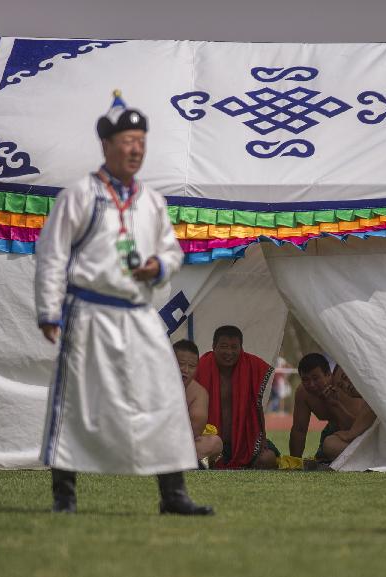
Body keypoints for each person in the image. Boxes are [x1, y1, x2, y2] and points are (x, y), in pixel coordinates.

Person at [35, 90, 212, 516]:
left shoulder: (151, 201)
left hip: (138, 313)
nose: (135, 150)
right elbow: (52, 253)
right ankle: (65, 496)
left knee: (165, 395)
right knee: (79, 399)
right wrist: (48, 309)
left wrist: (157, 266)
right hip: (89, 312)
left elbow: (172, 251)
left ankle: (173, 495)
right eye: (127, 141)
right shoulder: (78, 195)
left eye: (141, 142)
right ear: (107, 145)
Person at [195, 325, 278, 469]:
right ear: (213, 347)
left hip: (246, 441)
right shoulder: (200, 367)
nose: (229, 352)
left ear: (241, 348)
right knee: (201, 459)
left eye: (234, 347)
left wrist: (262, 437)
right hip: (212, 441)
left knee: (268, 459)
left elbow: (256, 407)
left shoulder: (252, 366)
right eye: (224, 346)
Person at [289, 354, 364, 461]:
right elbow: (299, 429)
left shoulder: (345, 387)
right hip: (334, 433)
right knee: (324, 452)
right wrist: (294, 462)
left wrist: (335, 406)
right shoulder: (303, 392)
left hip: (358, 434)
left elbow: (357, 429)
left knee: (329, 446)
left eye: (316, 378)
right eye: (305, 379)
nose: (311, 384)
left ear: (328, 374)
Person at [173, 339, 224, 469]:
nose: (186, 370)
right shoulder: (151, 384)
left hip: (176, 446)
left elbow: (193, 433)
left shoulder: (198, 393)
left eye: (192, 366)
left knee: (215, 443)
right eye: (181, 364)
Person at [318, 365, 377, 461]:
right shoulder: (367, 399)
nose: (346, 386)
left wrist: (349, 434)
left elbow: (352, 434)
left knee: (330, 443)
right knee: (331, 443)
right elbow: (356, 428)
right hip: (375, 446)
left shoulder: (374, 394)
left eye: (346, 377)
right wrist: (337, 405)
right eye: (341, 386)